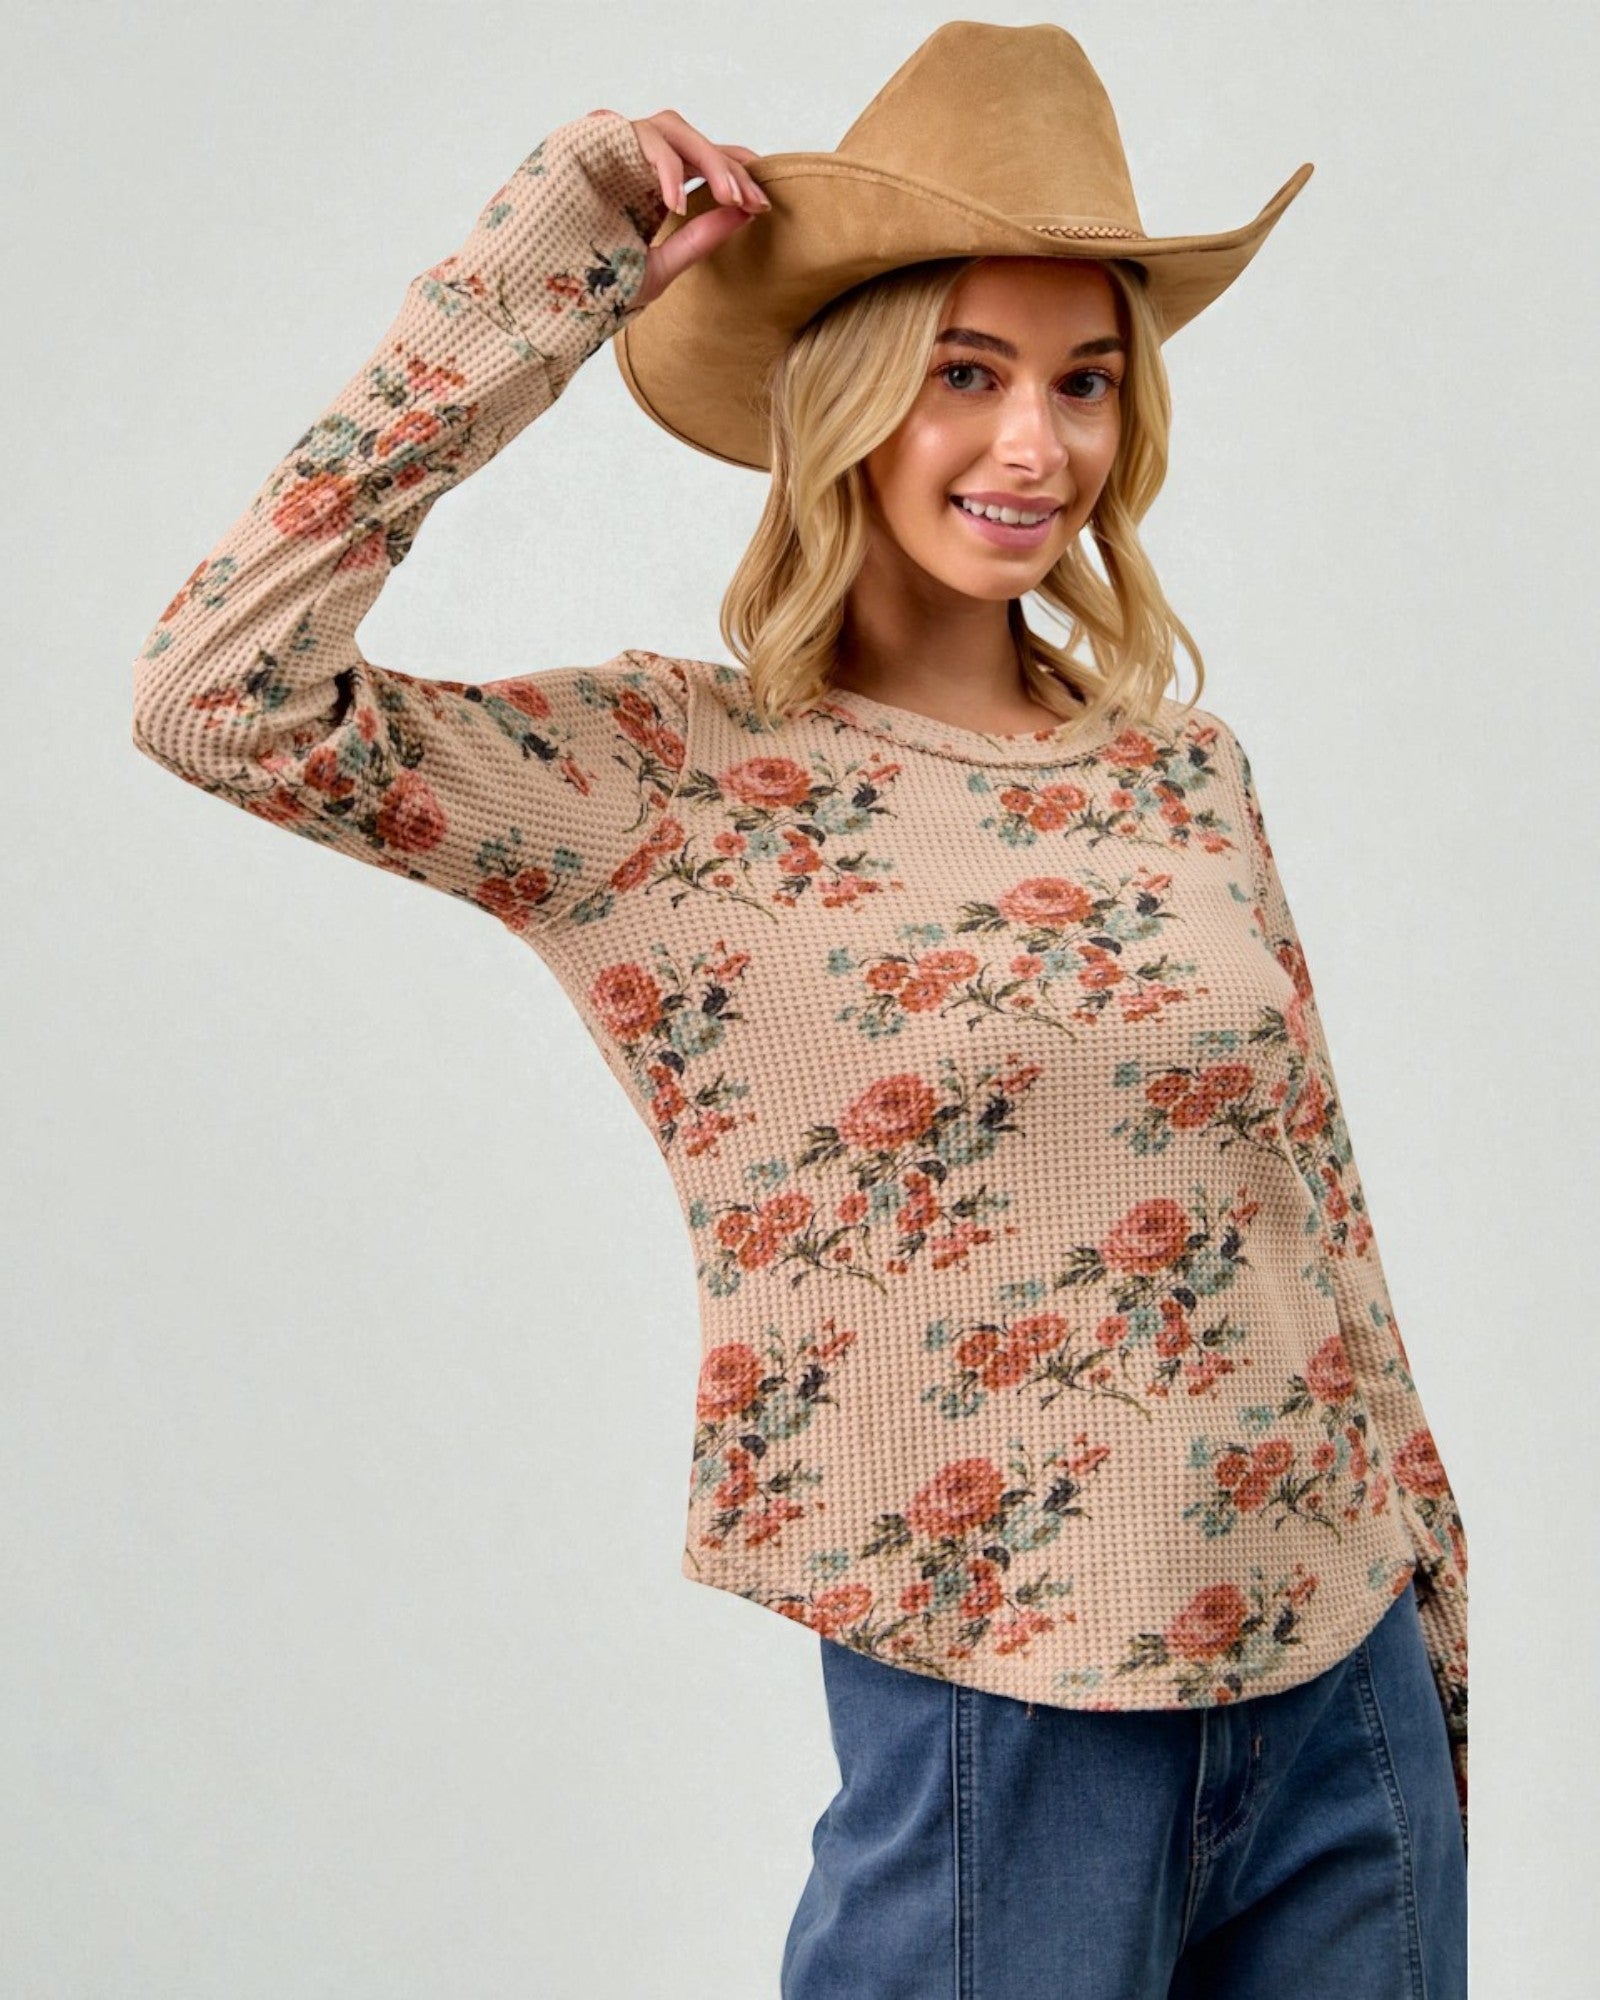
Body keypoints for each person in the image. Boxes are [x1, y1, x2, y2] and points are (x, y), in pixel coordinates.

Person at [130, 21, 1469, 1997]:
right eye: (964, 376)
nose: (1035, 447)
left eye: (1081, 383)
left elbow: (1319, 1218)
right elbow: (216, 696)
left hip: (1334, 1686)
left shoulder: (1176, 769)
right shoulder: (664, 781)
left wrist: (1434, 1627)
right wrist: (552, 266)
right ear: (838, 392)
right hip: (1000, 1718)